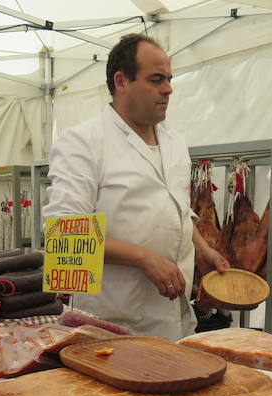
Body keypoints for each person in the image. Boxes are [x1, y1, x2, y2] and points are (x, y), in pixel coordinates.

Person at [44, 34, 229, 341]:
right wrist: (144, 258)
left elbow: (175, 208)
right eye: (156, 80)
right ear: (121, 81)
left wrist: (202, 247)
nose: (168, 89)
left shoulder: (175, 142)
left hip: (176, 316)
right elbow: (64, 232)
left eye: (169, 79)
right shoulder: (83, 142)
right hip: (114, 322)